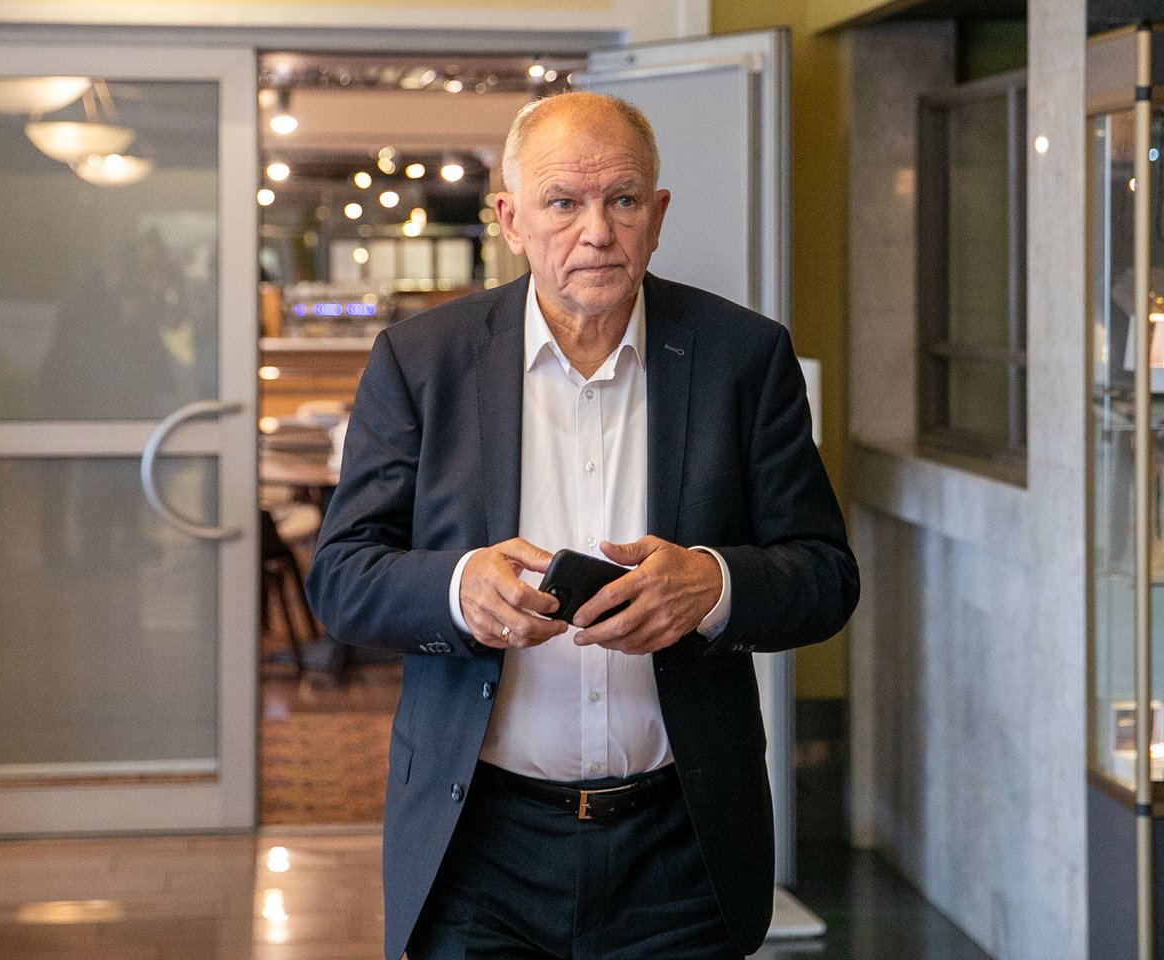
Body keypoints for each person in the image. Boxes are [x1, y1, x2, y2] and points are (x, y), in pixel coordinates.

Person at [305, 91, 859, 960]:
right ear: (510, 221)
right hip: (477, 844)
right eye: (563, 202)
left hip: (682, 846)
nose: (597, 231)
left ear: (658, 215)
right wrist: (456, 588)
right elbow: (342, 577)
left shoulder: (742, 358)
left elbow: (825, 575)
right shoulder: (422, 361)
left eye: (623, 199)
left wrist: (713, 586)